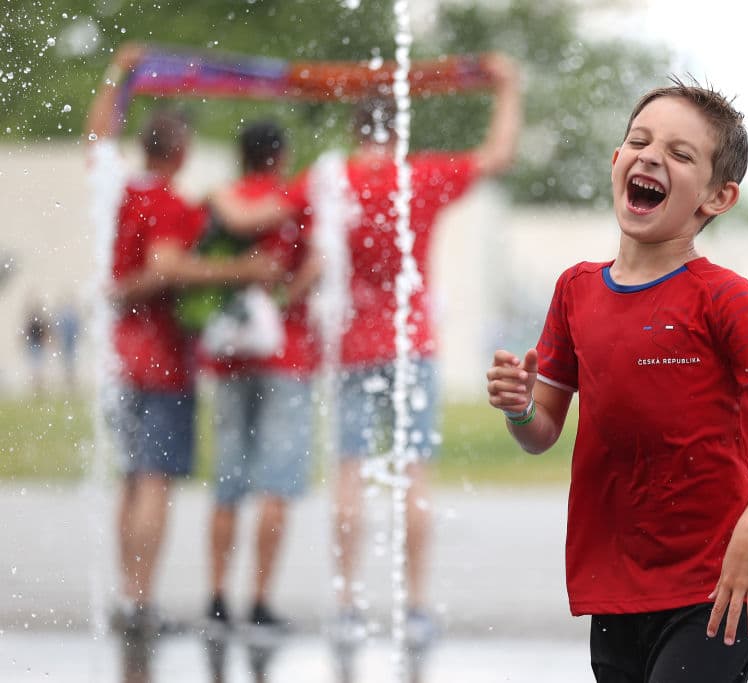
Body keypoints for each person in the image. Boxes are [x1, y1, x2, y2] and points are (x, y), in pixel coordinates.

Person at [485, 77, 748, 682]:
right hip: (616, 581)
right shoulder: (575, 291)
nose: (651, 157)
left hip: (720, 580)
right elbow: (542, 431)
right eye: (639, 142)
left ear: (718, 197)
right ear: (617, 160)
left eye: (680, 154)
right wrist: (519, 408)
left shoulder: (724, 298)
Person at [308, 53, 521, 648]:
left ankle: (347, 607)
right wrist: (508, 88)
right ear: (399, 130)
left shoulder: (334, 182)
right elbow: (498, 156)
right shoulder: (420, 177)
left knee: (348, 475)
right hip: (412, 344)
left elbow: (275, 217)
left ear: (355, 129)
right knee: (413, 476)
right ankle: (417, 606)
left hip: (353, 345)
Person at [85, 43, 281, 635]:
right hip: (161, 358)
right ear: (182, 151)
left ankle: (128, 598)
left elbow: (97, 138)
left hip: (120, 355)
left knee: (129, 478)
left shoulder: (122, 190)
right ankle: (141, 602)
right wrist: (241, 270)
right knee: (153, 480)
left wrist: (119, 73)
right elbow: (167, 267)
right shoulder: (169, 203)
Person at [202, 119, 320, 633]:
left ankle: (217, 596)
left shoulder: (224, 199)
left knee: (227, 481)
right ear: (282, 154)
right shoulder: (296, 201)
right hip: (287, 357)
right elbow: (318, 262)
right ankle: (260, 600)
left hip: (231, 356)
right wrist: (285, 298)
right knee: (276, 483)